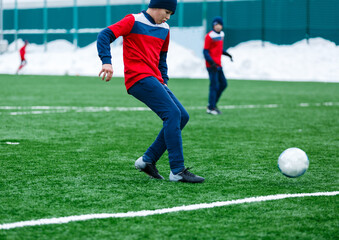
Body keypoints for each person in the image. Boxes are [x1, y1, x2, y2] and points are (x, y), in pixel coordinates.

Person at [96, 0, 204, 183]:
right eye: (167, 11)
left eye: (171, 13)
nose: (168, 17)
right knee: (172, 114)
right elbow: (104, 35)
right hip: (138, 78)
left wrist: (165, 81)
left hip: (156, 80)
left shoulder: (165, 29)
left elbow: (162, 59)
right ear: (157, 5)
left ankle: (147, 161)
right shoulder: (133, 20)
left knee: (182, 116)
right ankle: (177, 170)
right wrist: (106, 61)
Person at [203, 17, 233, 115]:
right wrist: (211, 63)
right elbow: (205, 51)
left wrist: (228, 54)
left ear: (222, 25)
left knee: (223, 84)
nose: (217, 26)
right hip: (212, 66)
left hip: (218, 65)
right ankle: (211, 108)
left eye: (219, 24)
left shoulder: (222, 35)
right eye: (215, 25)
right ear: (213, 26)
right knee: (214, 86)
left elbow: (218, 49)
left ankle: (212, 104)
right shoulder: (209, 36)